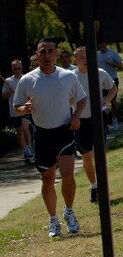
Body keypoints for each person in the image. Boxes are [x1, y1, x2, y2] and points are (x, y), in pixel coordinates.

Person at [13, 38, 87, 237]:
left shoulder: (67, 76)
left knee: (68, 176)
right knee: (47, 179)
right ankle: (53, 219)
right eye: (42, 52)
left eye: (50, 51)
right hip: (42, 134)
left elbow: (81, 99)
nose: (46, 55)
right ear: (37, 55)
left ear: (56, 54)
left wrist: (76, 116)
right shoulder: (27, 80)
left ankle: (69, 211)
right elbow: (17, 106)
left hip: (63, 131)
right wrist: (23, 109)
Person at [72, 47, 117, 202]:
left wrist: (107, 100)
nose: (85, 59)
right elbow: (65, 96)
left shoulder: (100, 73)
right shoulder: (71, 77)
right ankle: (94, 185)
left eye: (87, 56)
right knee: (86, 157)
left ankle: (103, 187)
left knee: (99, 154)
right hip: (80, 121)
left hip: (98, 118)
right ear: (75, 60)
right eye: (81, 57)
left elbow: (113, 88)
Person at [2, 59, 33, 162]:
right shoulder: (8, 81)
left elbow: (31, 94)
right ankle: (26, 151)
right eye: (15, 68)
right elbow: (4, 96)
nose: (17, 70)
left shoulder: (26, 78)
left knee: (25, 128)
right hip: (14, 110)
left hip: (25, 109)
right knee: (19, 131)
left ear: (22, 68)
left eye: (19, 68)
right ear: (12, 69)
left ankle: (29, 147)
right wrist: (10, 91)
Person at [97, 42, 122, 131]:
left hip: (113, 79)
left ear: (106, 44)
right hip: (101, 82)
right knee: (102, 101)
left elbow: (120, 66)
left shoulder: (113, 53)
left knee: (113, 101)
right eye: (100, 45)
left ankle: (114, 119)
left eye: (103, 45)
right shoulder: (96, 55)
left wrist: (112, 63)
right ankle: (105, 123)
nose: (102, 47)